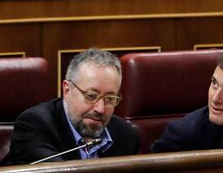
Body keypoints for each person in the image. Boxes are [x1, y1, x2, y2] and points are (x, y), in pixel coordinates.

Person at [9, 48, 139, 164]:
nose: (100, 109)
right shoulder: (35, 125)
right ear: (67, 90)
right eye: (91, 96)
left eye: (110, 99)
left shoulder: (126, 136)